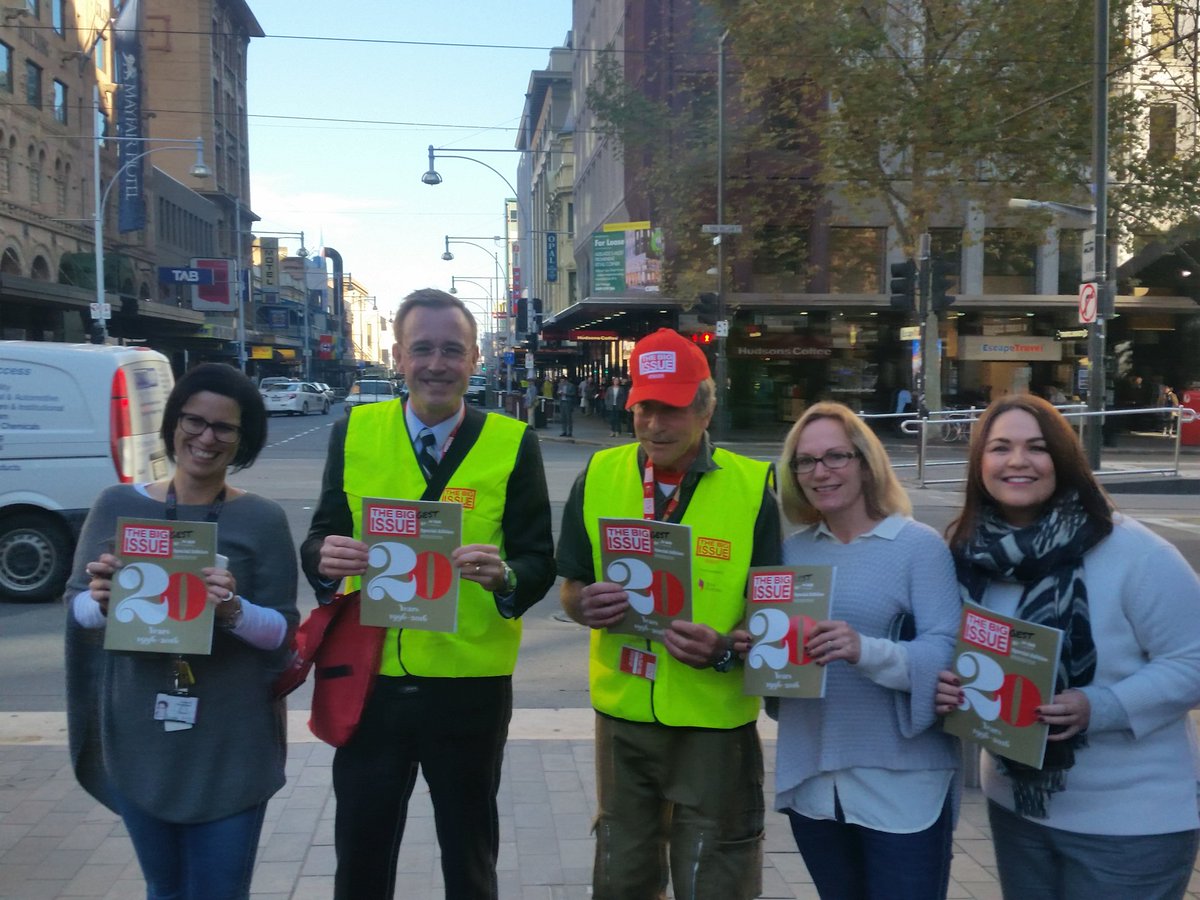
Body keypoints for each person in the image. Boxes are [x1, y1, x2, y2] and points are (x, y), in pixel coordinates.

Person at [302, 288, 556, 900]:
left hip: (470, 684)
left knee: (469, 856)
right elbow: (321, 536)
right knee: (360, 856)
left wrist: (506, 577)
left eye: (451, 350)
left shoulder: (512, 442)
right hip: (371, 680)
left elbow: (537, 560)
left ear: (474, 359)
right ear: (399, 356)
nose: (436, 364)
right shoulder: (354, 433)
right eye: (422, 349)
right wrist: (324, 560)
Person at [935, 393, 1200, 900]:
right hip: (1019, 810)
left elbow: (1193, 659)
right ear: (979, 464)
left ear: (1064, 458)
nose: (1017, 461)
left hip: (1130, 824)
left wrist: (1101, 706)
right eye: (1000, 448)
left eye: (1037, 447)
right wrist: (947, 685)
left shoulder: (1132, 551)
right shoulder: (969, 556)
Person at [557, 327, 783, 899]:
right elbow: (571, 586)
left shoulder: (754, 489)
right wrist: (585, 604)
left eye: (673, 408)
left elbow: (774, 615)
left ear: (706, 408)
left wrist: (726, 647)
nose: (655, 424)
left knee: (716, 877)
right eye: (644, 407)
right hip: (623, 719)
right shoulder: (600, 475)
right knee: (622, 876)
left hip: (714, 726)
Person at [64, 363, 299, 900]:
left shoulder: (261, 519)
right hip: (141, 737)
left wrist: (235, 611)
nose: (206, 437)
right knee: (163, 889)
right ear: (173, 425)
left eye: (225, 428)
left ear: (243, 440)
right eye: (194, 421)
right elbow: (76, 613)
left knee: (219, 891)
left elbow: (283, 633)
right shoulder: (117, 506)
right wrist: (102, 603)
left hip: (230, 739)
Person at [773, 402, 961, 899]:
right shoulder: (792, 553)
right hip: (815, 780)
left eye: (836, 456)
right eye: (806, 461)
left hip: (901, 782)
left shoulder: (916, 546)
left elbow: (948, 652)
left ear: (865, 461)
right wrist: (759, 648)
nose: (821, 472)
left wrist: (865, 650)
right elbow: (780, 668)